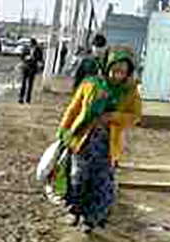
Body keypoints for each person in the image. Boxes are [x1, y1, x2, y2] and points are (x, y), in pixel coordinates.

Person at [56, 48, 142, 232]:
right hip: (83, 141)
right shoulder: (90, 84)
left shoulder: (130, 92)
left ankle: (91, 220)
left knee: (101, 183)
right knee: (78, 178)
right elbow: (73, 109)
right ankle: (74, 211)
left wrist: (113, 116)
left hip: (107, 146)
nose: (117, 75)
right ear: (106, 67)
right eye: (114, 70)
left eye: (122, 72)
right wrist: (63, 132)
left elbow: (134, 116)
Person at [18, 38, 42, 104]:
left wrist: (36, 61)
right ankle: (21, 98)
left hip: (33, 68)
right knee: (23, 83)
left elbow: (40, 58)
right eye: (31, 44)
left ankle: (28, 99)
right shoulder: (26, 49)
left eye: (33, 44)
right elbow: (22, 56)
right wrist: (25, 58)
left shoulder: (38, 50)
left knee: (30, 84)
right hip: (26, 67)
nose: (31, 45)